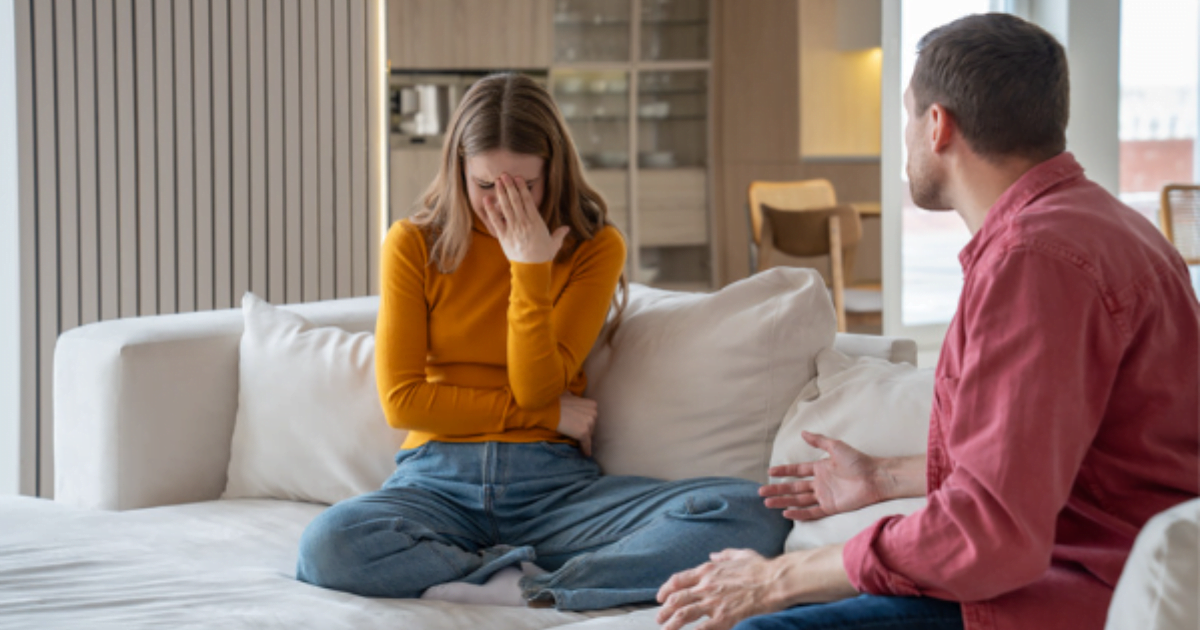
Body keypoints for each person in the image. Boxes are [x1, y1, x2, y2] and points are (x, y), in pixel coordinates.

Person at [656, 13, 1200, 630]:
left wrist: (775, 578)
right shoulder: (1110, 225)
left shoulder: (1034, 261)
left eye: (907, 116)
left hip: (1065, 594)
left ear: (937, 124)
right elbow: (1050, 452)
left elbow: (990, 536)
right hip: (1092, 571)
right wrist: (883, 476)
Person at [294, 73, 790, 611]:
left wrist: (529, 265)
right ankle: (511, 576)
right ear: (458, 169)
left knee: (751, 510)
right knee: (329, 546)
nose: (503, 203)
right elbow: (403, 402)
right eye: (486, 185)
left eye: (523, 185)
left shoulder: (594, 246)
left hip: (553, 487)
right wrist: (551, 415)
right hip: (438, 479)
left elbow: (537, 386)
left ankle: (533, 587)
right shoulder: (414, 243)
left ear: (553, 172)